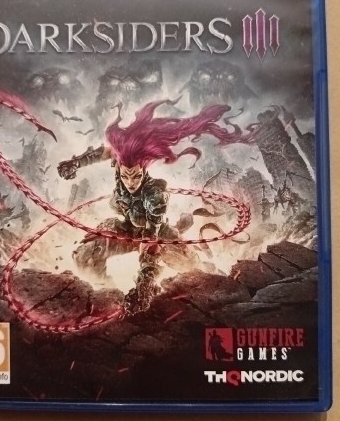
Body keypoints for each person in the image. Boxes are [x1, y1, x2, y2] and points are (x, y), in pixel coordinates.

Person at [58, 99, 257, 313]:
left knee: (192, 272)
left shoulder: (154, 196)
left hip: (158, 235)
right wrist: (75, 163)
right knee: (85, 255)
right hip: (126, 229)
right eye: (125, 176)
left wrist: (143, 286)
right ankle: (105, 294)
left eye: (136, 176)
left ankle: (175, 284)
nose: (130, 182)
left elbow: (150, 242)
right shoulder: (122, 164)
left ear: (144, 171)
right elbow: (105, 152)